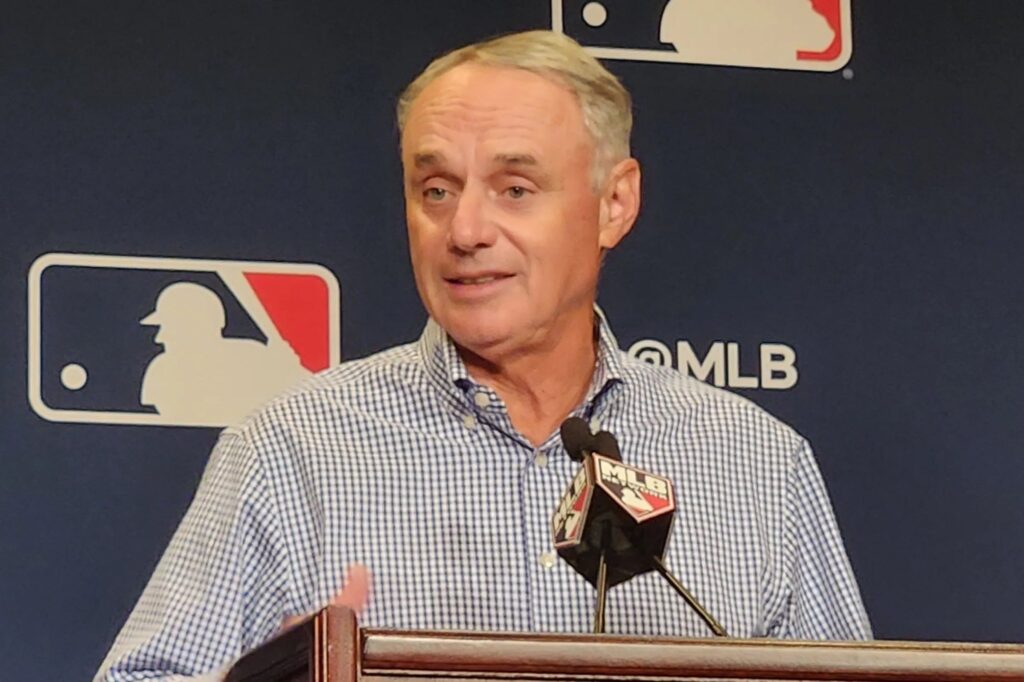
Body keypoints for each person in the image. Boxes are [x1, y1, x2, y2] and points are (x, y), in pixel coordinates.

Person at [95, 29, 870, 682]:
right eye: (436, 189)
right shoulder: (294, 451)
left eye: (514, 189)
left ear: (614, 203)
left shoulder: (756, 465)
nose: (464, 230)